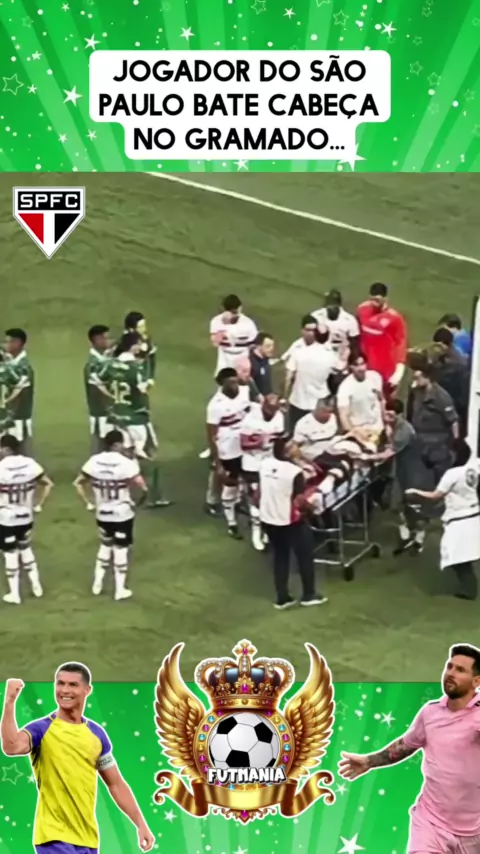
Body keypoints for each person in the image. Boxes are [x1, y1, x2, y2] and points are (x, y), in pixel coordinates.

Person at [338, 643, 480, 854]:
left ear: (477, 681)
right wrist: (369, 761)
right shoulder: (430, 713)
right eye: (449, 666)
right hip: (431, 824)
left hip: (474, 832)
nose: (451, 673)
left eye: (460, 670)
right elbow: (405, 745)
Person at [0, 661, 155, 853]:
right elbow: (11, 746)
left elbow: (115, 784)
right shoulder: (41, 729)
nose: (64, 690)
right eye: (60, 683)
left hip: (87, 840)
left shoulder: (97, 734)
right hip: (53, 837)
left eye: (72, 684)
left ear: (87, 690)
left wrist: (141, 824)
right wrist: (9, 702)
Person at [97, 333, 171, 508]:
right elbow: (143, 388)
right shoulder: (135, 368)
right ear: (133, 345)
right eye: (138, 343)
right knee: (150, 454)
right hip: (137, 419)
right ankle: (153, 496)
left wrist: (112, 398)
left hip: (117, 417)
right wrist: (150, 369)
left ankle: (124, 495)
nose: (140, 346)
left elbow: (98, 380)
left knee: (126, 456)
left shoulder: (111, 364)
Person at [74, 429, 148, 600]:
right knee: (121, 549)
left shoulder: (94, 461)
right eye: (122, 443)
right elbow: (143, 487)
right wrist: (138, 502)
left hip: (102, 514)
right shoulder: (126, 463)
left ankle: (97, 584)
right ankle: (120, 590)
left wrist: (89, 503)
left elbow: (78, 482)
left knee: (105, 544)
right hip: (122, 513)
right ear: (117, 444)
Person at [405, 438, 480, 599]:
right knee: (462, 553)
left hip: (459, 518)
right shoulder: (473, 468)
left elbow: (436, 495)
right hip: (473, 514)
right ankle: (469, 587)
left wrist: (415, 492)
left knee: (453, 553)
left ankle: (469, 589)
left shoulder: (451, 474)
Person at [259, 436, 327, 609]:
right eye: (293, 446)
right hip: (290, 520)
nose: (297, 447)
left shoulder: (264, 464)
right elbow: (298, 501)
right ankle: (309, 595)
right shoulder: (294, 472)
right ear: (287, 452)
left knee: (280, 556)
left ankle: (282, 598)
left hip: (268, 518)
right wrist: (312, 509)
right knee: (305, 555)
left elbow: (259, 492)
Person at [0, 434, 52, 605]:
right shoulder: (30, 464)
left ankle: (15, 594)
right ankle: (37, 586)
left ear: (6, 449)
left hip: (7, 518)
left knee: (10, 554)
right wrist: (38, 504)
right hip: (26, 517)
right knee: (25, 548)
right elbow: (47, 483)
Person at [206, 367, 251, 538]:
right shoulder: (215, 405)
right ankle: (231, 522)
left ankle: (238, 503)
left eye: (235, 380)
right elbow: (211, 435)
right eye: (230, 382)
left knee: (246, 478)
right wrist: (216, 462)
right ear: (222, 384)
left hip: (246, 446)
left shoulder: (245, 392)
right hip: (228, 450)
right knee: (230, 482)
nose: (234, 385)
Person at [240, 393, 285, 551]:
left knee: (268, 497)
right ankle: (256, 532)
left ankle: (266, 529)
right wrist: (260, 443)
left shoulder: (279, 417)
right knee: (255, 498)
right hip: (252, 462)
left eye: (274, 410)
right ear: (263, 405)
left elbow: (279, 439)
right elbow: (243, 444)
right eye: (268, 409)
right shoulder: (251, 419)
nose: (270, 413)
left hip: (269, 462)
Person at [407, 361, 459, 484]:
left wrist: (454, 443)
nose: (415, 381)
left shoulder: (441, 396)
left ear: (427, 377)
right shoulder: (417, 392)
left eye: (418, 378)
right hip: (420, 441)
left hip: (438, 443)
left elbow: (453, 420)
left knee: (441, 477)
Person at [284, 315, 338, 433]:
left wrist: (285, 396)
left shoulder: (299, 352)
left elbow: (288, 376)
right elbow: (336, 374)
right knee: (318, 435)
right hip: (319, 403)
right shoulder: (330, 355)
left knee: (296, 435)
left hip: (298, 401)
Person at [356, 283, 407, 396]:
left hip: (385, 370)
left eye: (378, 300)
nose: (374, 303)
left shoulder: (395, 318)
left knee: (383, 400)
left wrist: (399, 370)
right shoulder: (361, 310)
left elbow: (401, 343)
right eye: (372, 300)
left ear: (385, 299)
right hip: (365, 366)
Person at [431, 327, 470, 436]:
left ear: (447, 345)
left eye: (439, 346)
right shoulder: (438, 357)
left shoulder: (458, 364)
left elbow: (462, 394)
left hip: (454, 405)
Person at [336, 353, 385, 440]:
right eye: (356, 365)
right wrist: (354, 434)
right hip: (359, 429)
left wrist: (384, 420)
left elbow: (381, 400)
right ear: (350, 366)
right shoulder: (345, 387)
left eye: (362, 364)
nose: (361, 368)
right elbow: (344, 416)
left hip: (377, 425)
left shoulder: (375, 377)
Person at [209, 294, 258, 374]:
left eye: (235, 312)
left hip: (242, 357)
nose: (233, 315)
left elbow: (254, 345)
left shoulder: (248, 324)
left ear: (240, 308)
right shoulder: (216, 321)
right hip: (224, 358)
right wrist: (223, 327)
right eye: (231, 312)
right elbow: (215, 343)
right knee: (222, 379)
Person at [3, 328, 34, 450]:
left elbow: (19, 390)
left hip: (19, 419)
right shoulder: (11, 362)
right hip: (9, 417)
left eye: (8, 342)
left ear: (17, 343)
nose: (5, 345)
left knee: (19, 450)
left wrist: (5, 402)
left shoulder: (24, 366)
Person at [84, 324, 111, 452]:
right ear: (97, 340)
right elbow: (99, 388)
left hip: (110, 412)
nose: (109, 341)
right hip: (101, 414)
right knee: (101, 449)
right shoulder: (93, 364)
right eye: (106, 338)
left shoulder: (106, 359)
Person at [312, 289, 360, 357]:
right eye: (329, 304)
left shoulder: (350, 320)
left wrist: (355, 358)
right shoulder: (316, 316)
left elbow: (354, 344)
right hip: (319, 355)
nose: (330, 307)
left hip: (340, 355)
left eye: (333, 304)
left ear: (339, 305)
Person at [293, 398, 339, 463]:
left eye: (330, 411)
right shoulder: (303, 424)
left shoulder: (334, 417)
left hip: (335, 451)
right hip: (314, 457)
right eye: (324, 411)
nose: (327, 414)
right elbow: (296, 446)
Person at [124, 310, 156, 386]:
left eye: (144, 326)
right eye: (140, 327)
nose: (144, 329)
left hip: (141, 380)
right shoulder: (124, 343)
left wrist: (150, 378)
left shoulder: (146, 340)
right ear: (131, 329)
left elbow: (152, 357)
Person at [249, 332, 275, 397]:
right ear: (259, 346)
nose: (271, 349)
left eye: (272, 346)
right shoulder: (251, 363)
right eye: (268, 346)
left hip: (267, 398)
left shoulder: (265, 358)